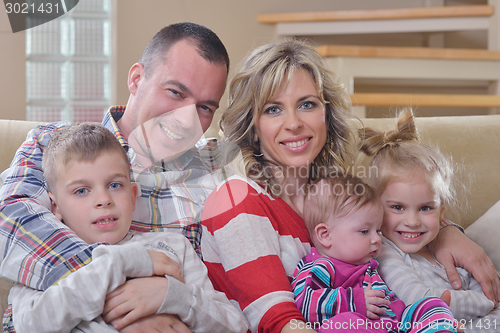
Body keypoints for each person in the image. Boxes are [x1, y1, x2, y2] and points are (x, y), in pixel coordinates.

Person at [200, 39, 499, 333]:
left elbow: (403, 212)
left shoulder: (337, 190)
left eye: (307, 104)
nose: (293, 124)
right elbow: (280, 323)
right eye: (273, 109)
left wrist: (446, 233)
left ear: (326, 116)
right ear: (253, 129)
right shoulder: (236, 198)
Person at [0, 22, 229, 332]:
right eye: (175, 92)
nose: (186, 118)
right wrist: (125, 292)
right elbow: (10, 226)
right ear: (136, 78)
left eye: (204, 107)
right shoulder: (53, 144)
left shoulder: (217, 169)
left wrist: (168, 297)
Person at [8, 123, 248, 333]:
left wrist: (174, 296)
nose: (103, 199)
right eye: (81, 190)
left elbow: (234, 325)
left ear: (133, 196)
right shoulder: (43, 258)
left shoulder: (173, 246)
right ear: (55, 206)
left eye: (114, 185)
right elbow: (31, 324)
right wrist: (121, 262)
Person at [359, 109, 500, 333]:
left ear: (442, 210)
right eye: (397, 207)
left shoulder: (453, 247)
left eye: (425, 208)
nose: (413, 221)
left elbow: (488, 287)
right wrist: (486, 303)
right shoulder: (384, 252)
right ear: (375, 206)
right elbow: (420, 301)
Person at [292, 175, 458, 332]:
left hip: (395, 324)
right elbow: (305, 304)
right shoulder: (321, 267)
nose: (377, 239)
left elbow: (391, 305)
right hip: (359, 326)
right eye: (364, 231)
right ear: (325, 235)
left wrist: (430, 318)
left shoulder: (368, 265)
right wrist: (355, 300)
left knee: (433, 306)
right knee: (342, 325)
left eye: (378, 230)